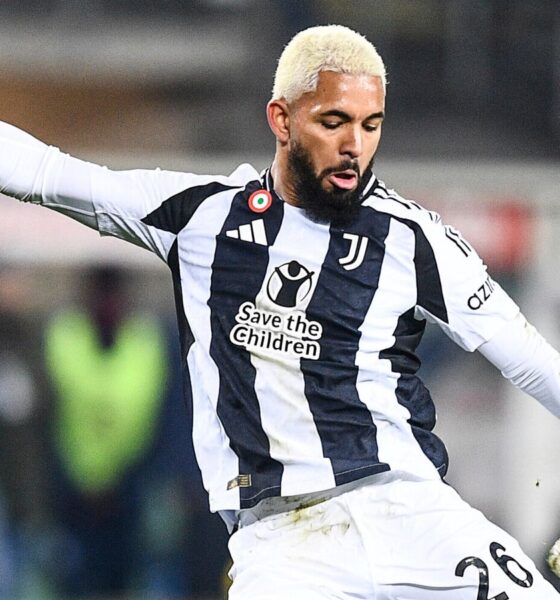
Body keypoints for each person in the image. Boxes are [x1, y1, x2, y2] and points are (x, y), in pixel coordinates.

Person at [0, 23, 559, 599]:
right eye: (333, 122)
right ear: (282, 119)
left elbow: (531, 361)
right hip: (284, 544)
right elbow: (47, 174)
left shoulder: (414, 239)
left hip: (414, 517)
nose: (354, 145)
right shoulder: (201, 218)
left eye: (370, 125)